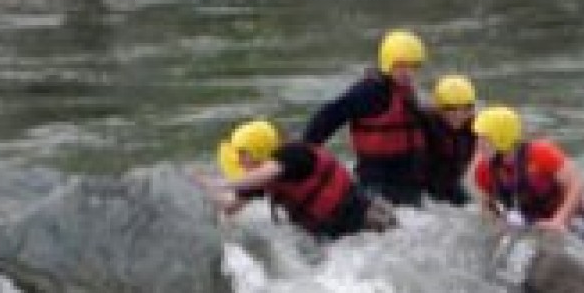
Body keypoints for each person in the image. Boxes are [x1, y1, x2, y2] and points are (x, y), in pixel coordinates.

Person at [201, 119, 396, 240]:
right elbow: (231, 206)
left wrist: (220, 184)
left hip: (369, 217)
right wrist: (196, 192)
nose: (239, 162)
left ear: (258, 151)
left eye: (242, 155)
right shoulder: (257, 179)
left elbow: (268, 172)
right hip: (333, 231)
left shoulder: (293, 154)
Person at [302, 29, 428, 208]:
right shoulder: (367, 92)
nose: (408, 72)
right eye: (401, 66)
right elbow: (329, 116)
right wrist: (304, 152)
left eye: (413, 66)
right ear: (387, 64)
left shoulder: (408, 94)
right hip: (376, 184)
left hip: (408, 184)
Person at [470, 105, 584, 240]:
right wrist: (500, 227)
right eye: (478, 139)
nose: (478, 144)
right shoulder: (483, 170)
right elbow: (487, 208)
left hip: (577, 221)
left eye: (484, 139)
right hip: (533, 224)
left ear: (502, 138)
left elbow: (578, 185)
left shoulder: (541, 153)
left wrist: (558, 221)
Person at [420, 74, 478, 206]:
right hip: (420, 187)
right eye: (450, 108)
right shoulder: (424, 122)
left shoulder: (477, 127)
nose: (459, 114)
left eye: (466, 108)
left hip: (450, 184)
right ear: (438, 108)